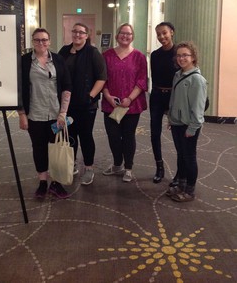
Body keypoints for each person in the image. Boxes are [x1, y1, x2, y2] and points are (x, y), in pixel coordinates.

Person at [18, 28, 72, 199]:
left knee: (56, 148)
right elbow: (18, 90)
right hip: (34, 113)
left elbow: (66, 87)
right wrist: (21, 114)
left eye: (44, 40)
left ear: (49, 41)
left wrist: (63, 113)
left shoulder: (58, 60)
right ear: (32, 42)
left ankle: (56, 183)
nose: (41, 43)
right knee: (39, 147)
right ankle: (42, 182)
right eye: (37, 40)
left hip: (56, 114)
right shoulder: (24, 61)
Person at [59, 22, 107, 185]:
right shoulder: (64, 51)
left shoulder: (93, 53)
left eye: (81, 32)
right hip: (67, 104)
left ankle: (89, 168)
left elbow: (102, 77)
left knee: (86, 136)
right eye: (75, 32)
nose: (77, 35)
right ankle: (72, 164)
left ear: (87, 35)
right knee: (70, 135)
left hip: (87, 105)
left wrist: (90, 96)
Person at [101, 23, 148, 182]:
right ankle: (117, 164)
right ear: (117, 35)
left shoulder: (139, 57)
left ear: (132, 36)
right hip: (111, 104)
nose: (125, 36)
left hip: (131, 105)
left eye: (128, 34)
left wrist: (130, 98)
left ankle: (128, 167)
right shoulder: (106, 55)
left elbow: (142, 81)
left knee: (128, 136)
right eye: (122, 33)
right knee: (113, 136)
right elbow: (102, 79)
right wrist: (107, 96)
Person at [167, 41, 207, 202]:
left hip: (189, 125)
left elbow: (198, 108)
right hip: (177, 123)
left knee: (189, 157)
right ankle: (181, 185)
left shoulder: (197, 80)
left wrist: (193, 128)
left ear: (193, 57)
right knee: (181, 155)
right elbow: (174, 100)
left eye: (185, 55)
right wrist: (171, 118)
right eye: (179, 55)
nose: (181, 58)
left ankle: (190, 190)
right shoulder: (178, 74)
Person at [150, 22, 177, 184]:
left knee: (178, 135)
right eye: (158, 34)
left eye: (164, 33)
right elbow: (154, 78)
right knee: (154, 133)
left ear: (171, 32)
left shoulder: (179, 52)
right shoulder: (155, 55)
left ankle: (180, 172)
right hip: (157, 96)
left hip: (174, 97)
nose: (162, 37)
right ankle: (159, 167)